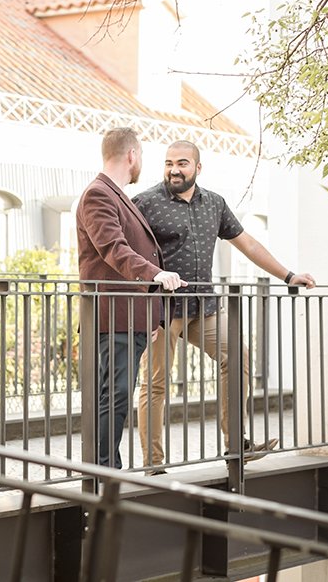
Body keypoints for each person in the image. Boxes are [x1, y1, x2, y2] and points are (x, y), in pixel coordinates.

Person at [134, 140, 316, 469]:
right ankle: (153, 464)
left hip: (204, 307)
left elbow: (247, 243)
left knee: (237, 357)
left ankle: (237, 446)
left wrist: (287, 276)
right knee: (156, 384)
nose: (174, 169)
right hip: (162, 310)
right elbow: (126, 250)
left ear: (197, 168)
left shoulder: (214, 204)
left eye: (182, 163)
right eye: (168, 163)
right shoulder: (145, 202)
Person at [76, 127, 184, 468]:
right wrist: (155, 274)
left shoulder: (115, 195)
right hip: (112, 315)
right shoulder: (99, 194)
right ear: (132, 155)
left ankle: (106, 468)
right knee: (116, 394)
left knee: (117, 394)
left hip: (130, 316)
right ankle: (104, 471)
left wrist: (148, 317)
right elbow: (114, 249)